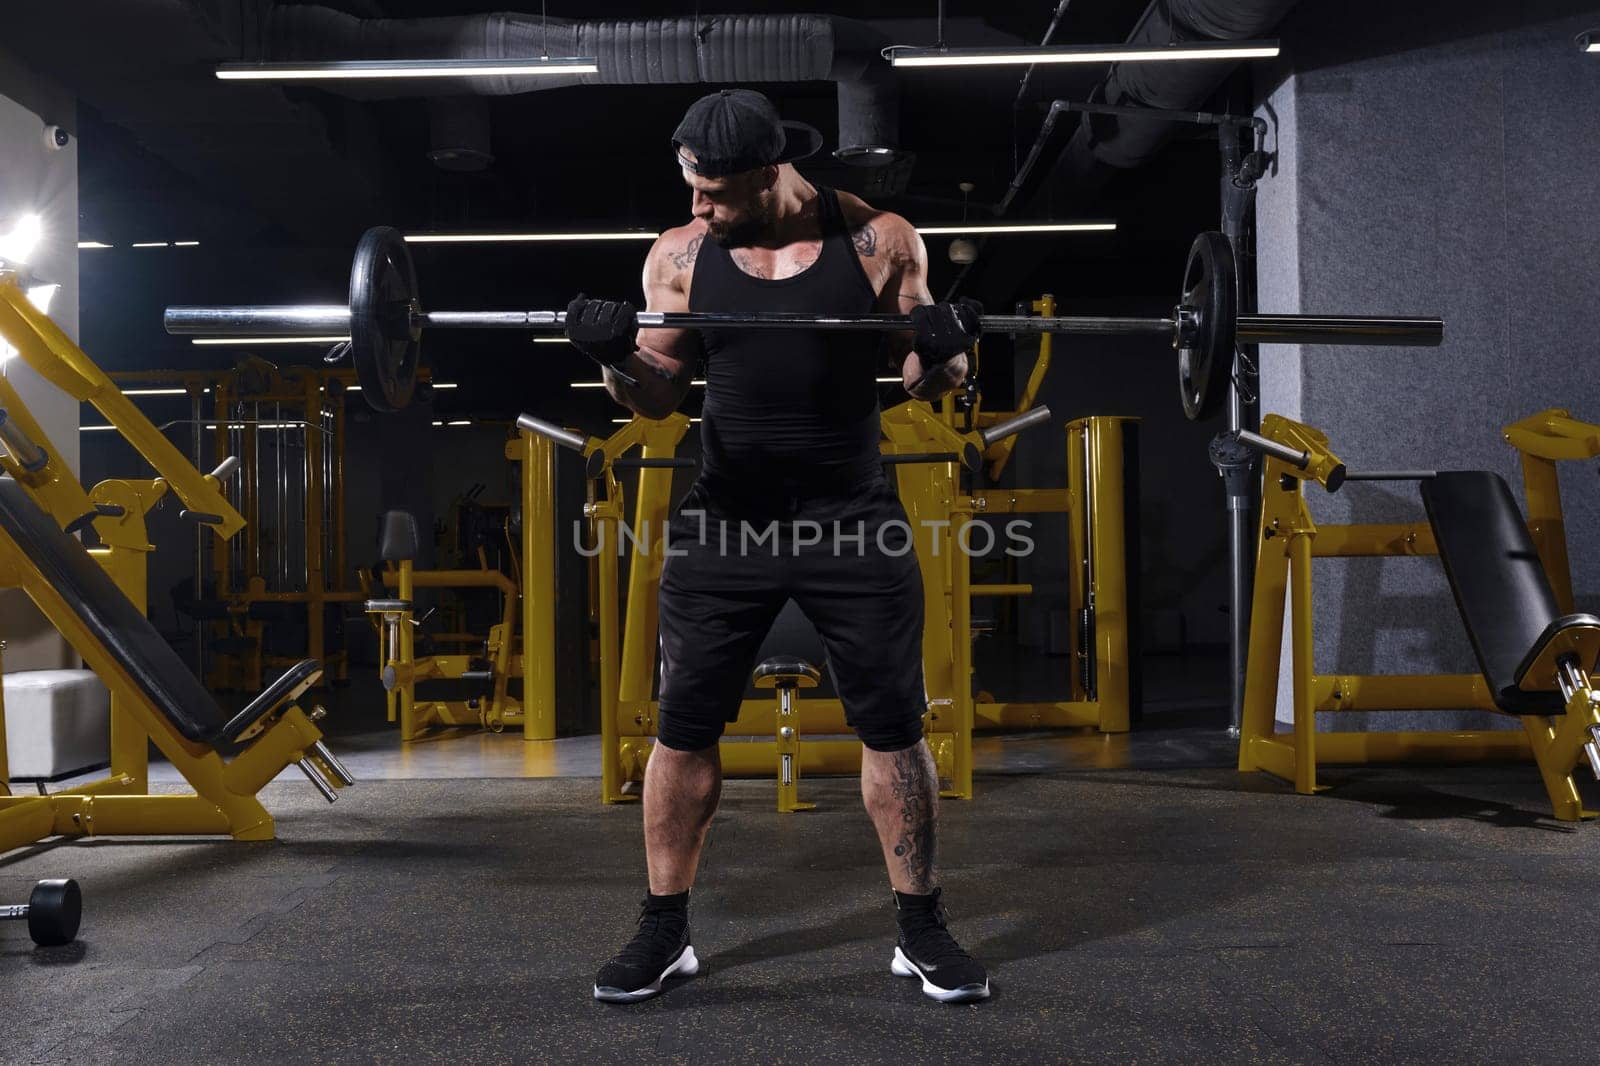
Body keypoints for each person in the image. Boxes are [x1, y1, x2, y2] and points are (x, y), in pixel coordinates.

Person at [565, 88, 989, 1005]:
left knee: (894, 727)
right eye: (690, 187)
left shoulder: (880, 239)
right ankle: (664, 929)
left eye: (713, 192)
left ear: (769, 174)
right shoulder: (679, 256)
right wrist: (613, 356)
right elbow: (656, 396)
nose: (697, 208)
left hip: (853, 515)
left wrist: (952, 349)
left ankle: (919, 931)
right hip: (728, 519)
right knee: (682, 731)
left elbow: (929, 377)